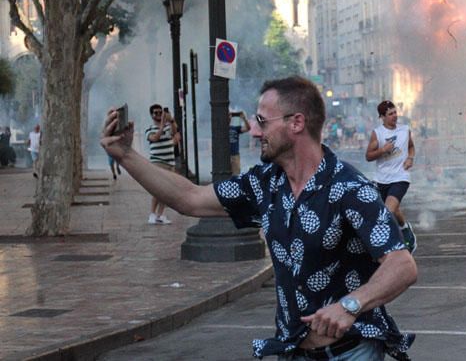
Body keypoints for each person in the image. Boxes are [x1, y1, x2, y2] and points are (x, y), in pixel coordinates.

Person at [102, 76, 417, 360]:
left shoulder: (349, 188)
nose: (256, 130)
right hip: (292, 349)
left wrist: (351, 304)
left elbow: (401, 265)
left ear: (296, 123)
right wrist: (126, 155)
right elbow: (190, 199)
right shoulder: (266, 183)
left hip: (352, 352)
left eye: (263, 122)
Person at [365, 100, 417, 253]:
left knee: (388, 211)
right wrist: (382, 150)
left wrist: (410, 158)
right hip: (382, 179)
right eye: (390, 114)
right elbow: (368, 156)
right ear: (382, 116)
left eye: (395, 112)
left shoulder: (404, 130)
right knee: (394, 210)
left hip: (401, 177)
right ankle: (405, 229)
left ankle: (392, 245)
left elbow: (411, 147)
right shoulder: (378, 133)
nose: (394, 116)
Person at [144, 104, 180, 224]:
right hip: (158, 162)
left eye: (160, 113)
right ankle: (152, 214)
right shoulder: (149, 129)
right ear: (151, 115)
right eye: (156, 113)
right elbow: (155, 138)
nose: (159, 115)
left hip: (170, 162)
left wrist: (171, 120)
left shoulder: (168, 127)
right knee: (158, 190)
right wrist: (162, 125)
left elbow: (176, 132)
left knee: (166, 191)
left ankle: (160, 215)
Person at [229, 109, 251, 175]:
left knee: (236, 175)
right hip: (223, 155)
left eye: (230, 115)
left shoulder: (234, 128)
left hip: (234, 155)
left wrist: (244, 118)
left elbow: (248, 128)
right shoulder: (220, 128)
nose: (229, 116)